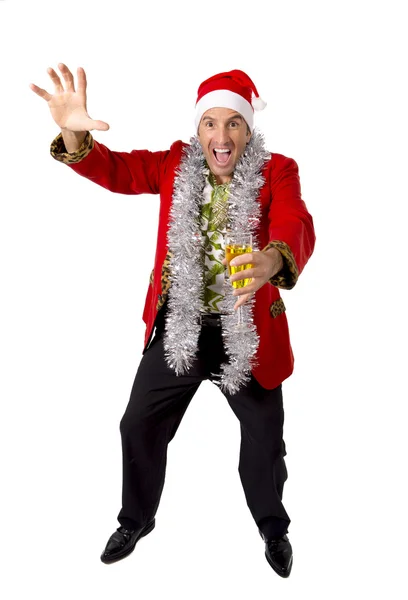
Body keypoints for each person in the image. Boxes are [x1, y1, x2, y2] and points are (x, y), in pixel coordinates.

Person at [30, 64, 316, 578]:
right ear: (198, 130)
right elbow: (116, 171)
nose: (222, 136)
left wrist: (273, 259)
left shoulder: (278, 170)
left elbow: (295, 218)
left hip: (245, 331)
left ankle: (274, 529)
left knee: (266, 437)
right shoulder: (174, 163)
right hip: (182, 324)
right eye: (211, 123)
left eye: (234, 123)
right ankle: (136, 519)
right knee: (137, 423)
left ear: (249, 130)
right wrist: (73, 130)